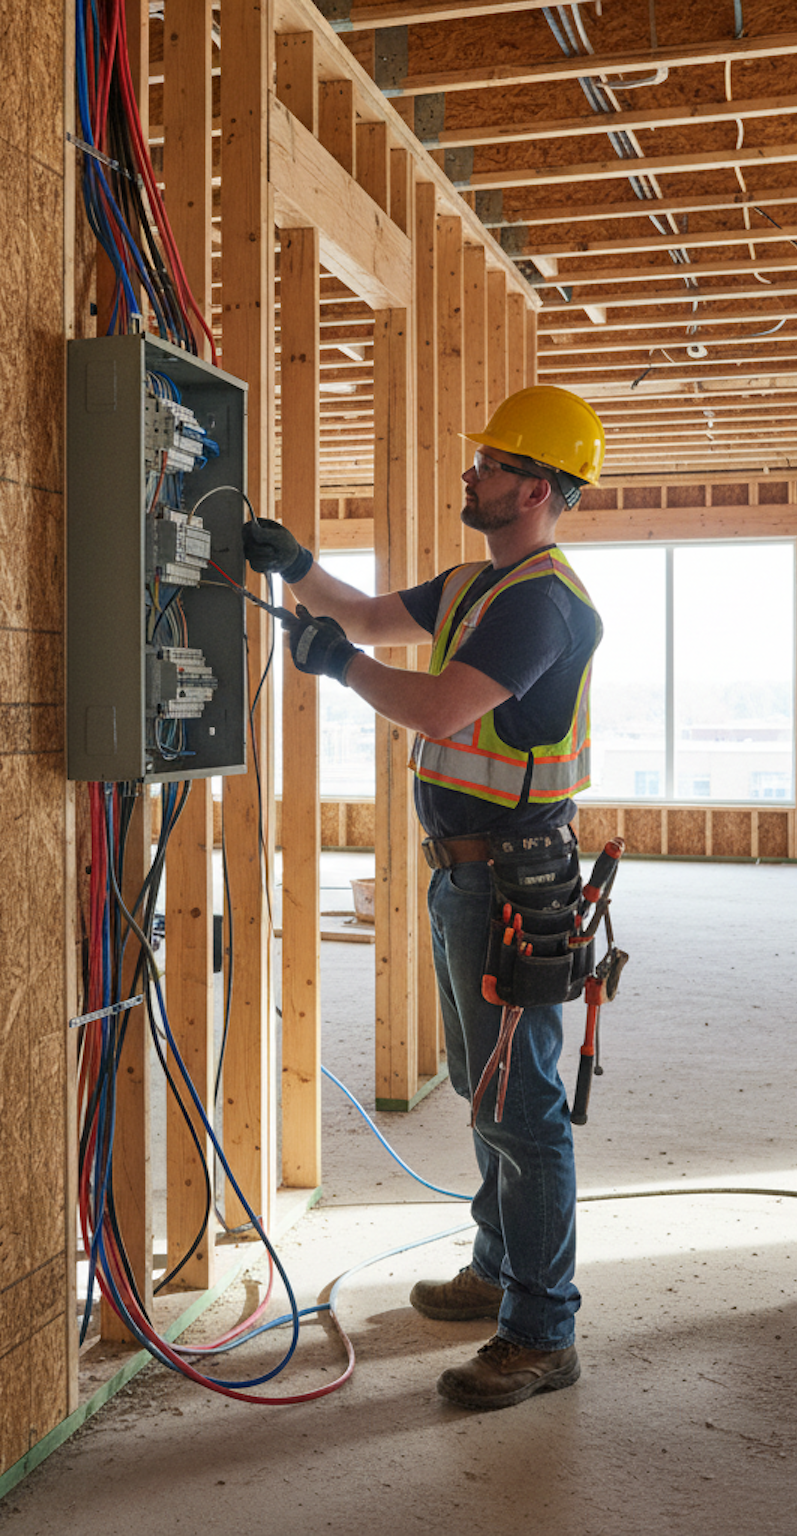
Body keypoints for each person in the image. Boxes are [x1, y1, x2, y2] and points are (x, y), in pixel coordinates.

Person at [243, 384, 605, 1411]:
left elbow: (441, 709)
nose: (471, 473)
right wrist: (294, 563)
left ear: (535, 491)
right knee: (485, 1087)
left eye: (491, 464)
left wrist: (341, 667)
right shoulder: (473, 587)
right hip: (468, 876)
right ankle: (498, 1266)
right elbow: (361, 615)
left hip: (510, 879)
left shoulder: (543, 603)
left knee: (521, 1104)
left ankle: (541, 1331)